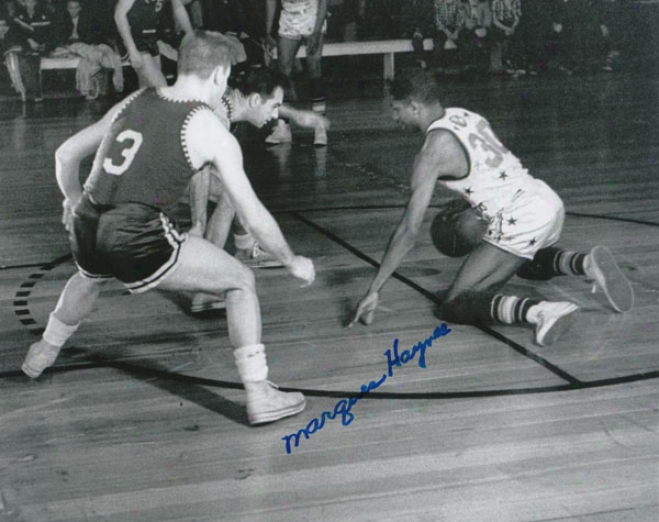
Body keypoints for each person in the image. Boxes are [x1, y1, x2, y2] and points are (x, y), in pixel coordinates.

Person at [21, 30, 315, 426]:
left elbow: (65, 154)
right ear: (219, 75)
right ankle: (260, 393)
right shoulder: (208, 126)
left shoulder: (138, 98)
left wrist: (73, 200)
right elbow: (253, 211)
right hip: (134, 235)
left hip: (87, 223)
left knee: (90, 275)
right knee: (240, 281)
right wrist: (290, 258)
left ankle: (42, 352)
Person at [350, 71, 633, 346]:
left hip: (521, 218)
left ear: (414, 106)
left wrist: (374, 289)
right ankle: (586, 263)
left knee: (454, 304)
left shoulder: (431, 153)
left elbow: (409, 232)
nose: (393, 117)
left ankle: (541, 311)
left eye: (396, 109)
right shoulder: (466, 116)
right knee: (523, 264)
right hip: (545, 199)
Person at [187, 66, 329, 312]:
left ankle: (244, 250)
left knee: (233, 185)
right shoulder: (216, 121)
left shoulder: (231, 97)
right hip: (160, 173)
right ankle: (204, 290)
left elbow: (261, 100)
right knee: (232, 193)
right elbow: (198, 176)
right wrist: (197, 223)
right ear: (254, 100)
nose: (275, 116)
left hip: (171, 160)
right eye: (274, 107)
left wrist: (295, 114)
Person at [265, 0, 329, 146]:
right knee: (283, 71)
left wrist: (317, 31)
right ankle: (283, 127)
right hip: (288, 18)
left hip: (312, 17)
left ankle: (319, 127)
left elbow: (324, 2)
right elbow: (270, 2)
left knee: (314, 68)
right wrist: (268, 31)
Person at [114, 0, 194, 87]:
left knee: (148, 89)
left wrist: (191, 35)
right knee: (160, 86)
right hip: (132, 38)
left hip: (151, 37)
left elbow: (178, 7)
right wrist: (131, 49)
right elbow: (119, 15)